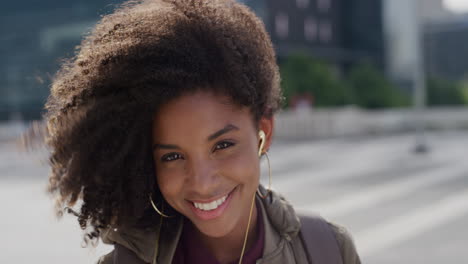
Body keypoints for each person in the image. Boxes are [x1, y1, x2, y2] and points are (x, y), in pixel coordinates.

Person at [44, 0, 361, 263]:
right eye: (172, 156)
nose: (202, 182)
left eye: (223, 145)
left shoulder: (327, 250)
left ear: (263, 132)